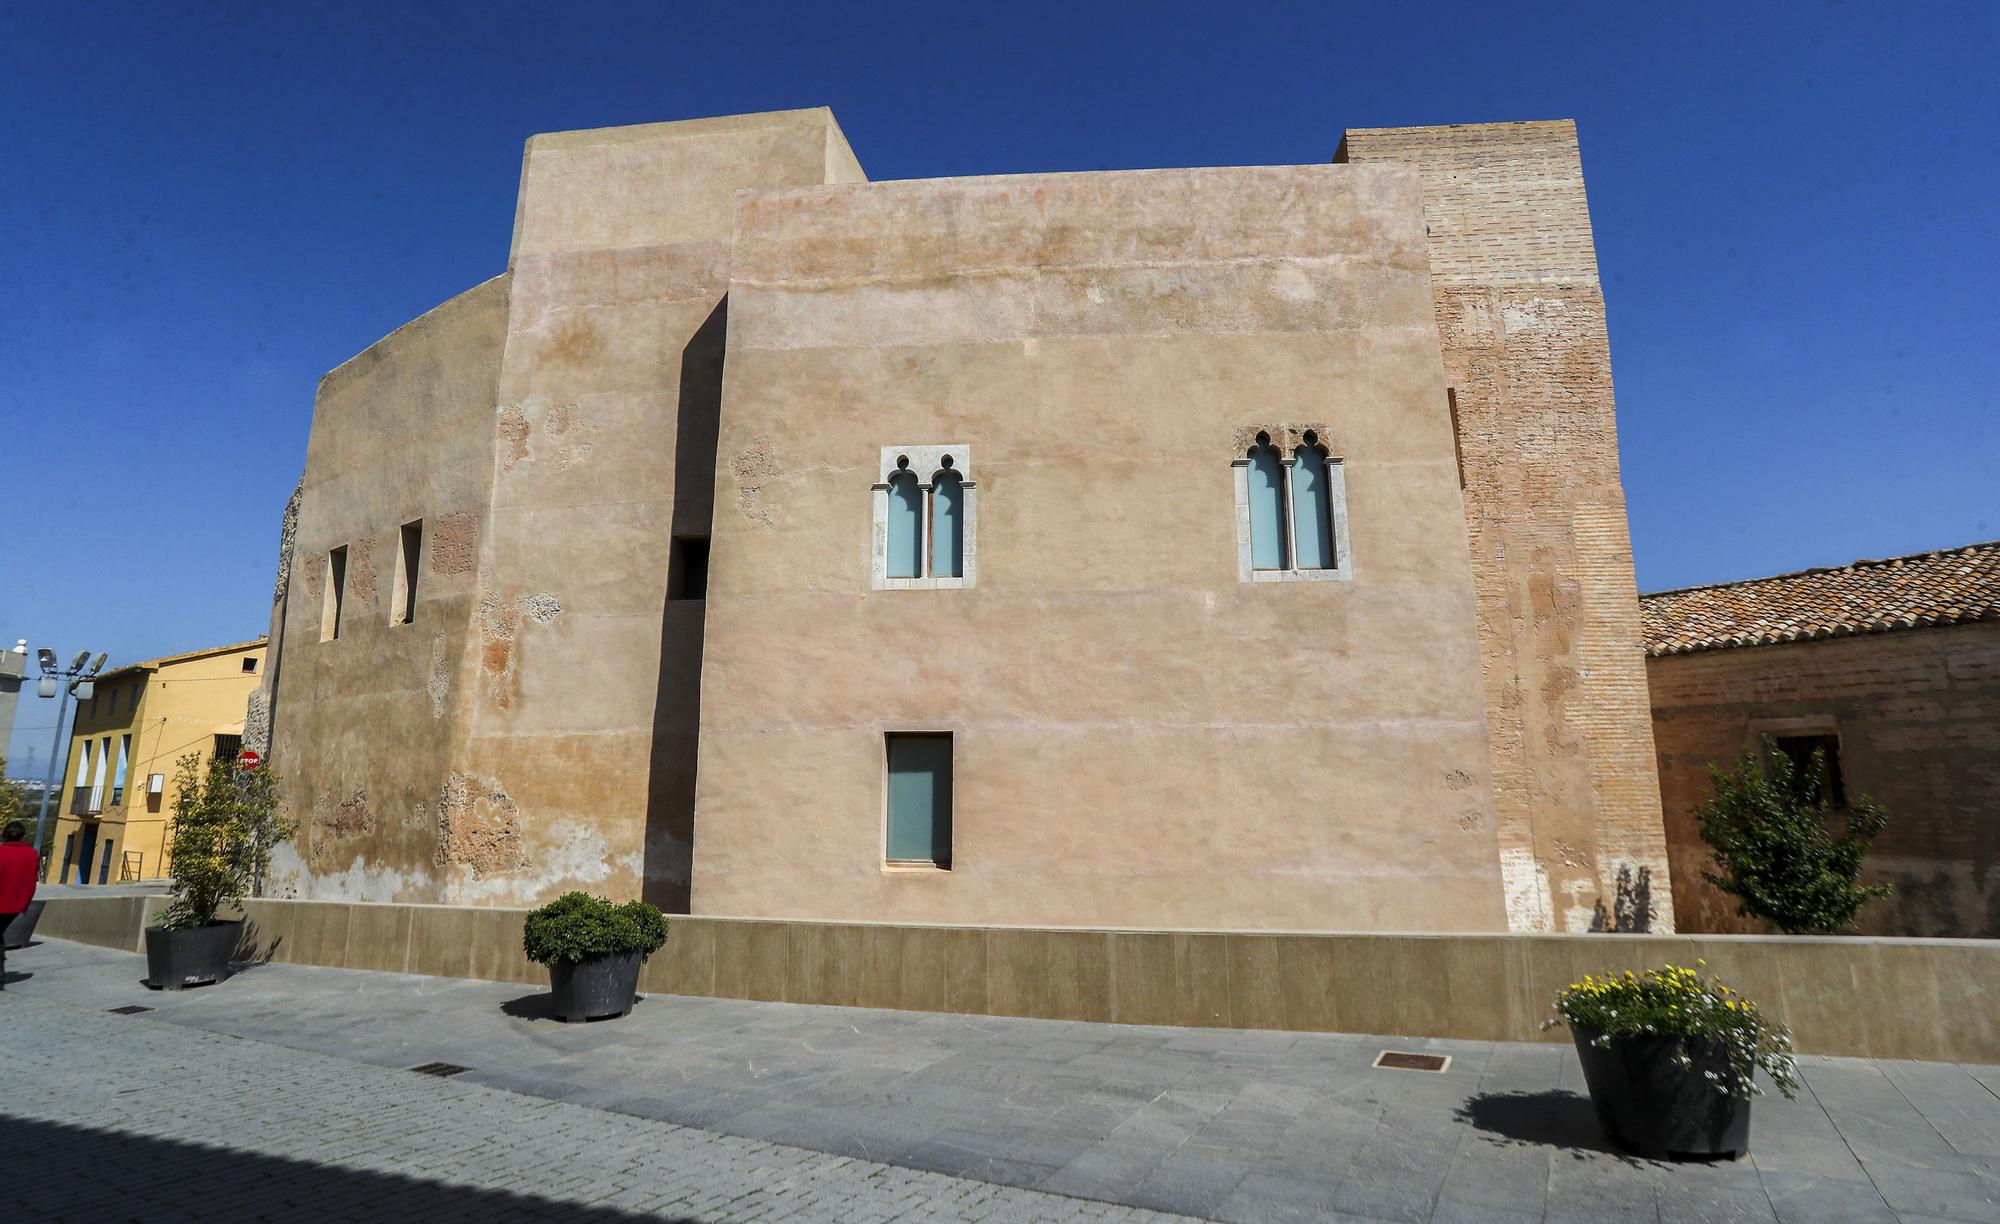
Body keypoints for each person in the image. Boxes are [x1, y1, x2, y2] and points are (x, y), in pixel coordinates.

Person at [0, 821, 38, 988]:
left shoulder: (1, 852)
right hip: (16, 904)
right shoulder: (31, 854)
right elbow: (31, 880)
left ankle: (0, 975)